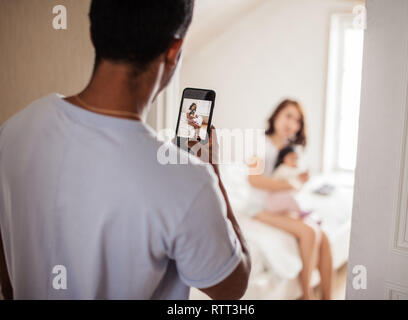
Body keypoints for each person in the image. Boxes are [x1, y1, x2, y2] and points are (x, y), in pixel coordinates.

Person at [0, 0, 250, 300]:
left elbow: (7, 269)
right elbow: (232, 288)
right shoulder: (189, 181)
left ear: (95, 34)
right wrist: (214, 175)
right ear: (174, 51)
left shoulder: (13, 131)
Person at [248, 99, 333, 300]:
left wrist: (299, 181)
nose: (292, 123)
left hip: (280, 208)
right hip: (258, 209)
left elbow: (289, 183)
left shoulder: (289, 150)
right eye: (288, 115)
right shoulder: (260, 143)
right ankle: (307, 295)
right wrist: (290, 184)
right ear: (276, 115)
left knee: (326, 239)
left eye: (297, 120)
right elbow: (254, 179)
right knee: (310, 232)